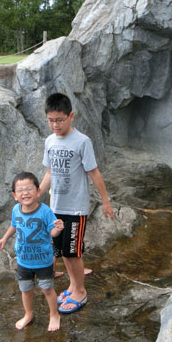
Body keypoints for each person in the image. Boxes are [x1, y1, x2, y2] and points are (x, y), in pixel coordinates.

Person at [40, 92, 114, 314]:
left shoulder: (82, 142)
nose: (55, 125)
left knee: (73, 252)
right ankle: (72, 286)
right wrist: (37, 195)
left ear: (71, 116)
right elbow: (49, 172)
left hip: (75, 208)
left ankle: (80, 291)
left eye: (59, 120)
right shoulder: (50, 141)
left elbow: (93, 172)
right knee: (62, 252)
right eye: (51, 120)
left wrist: (105, 200)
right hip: (56, 208)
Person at [0, 172, 64, 331]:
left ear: (38, 191)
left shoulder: (45, 211)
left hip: (43, 260)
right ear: (14, 195)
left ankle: (54, 314)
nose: (25, 193)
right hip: (23, 260)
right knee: (25, 289)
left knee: (47, 288)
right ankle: (28, 314)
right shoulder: (16, 209)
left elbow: (51, 233)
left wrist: (58, 229)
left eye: (29, 188)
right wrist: (4, 238)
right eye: (20, 190)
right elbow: (14, 225)